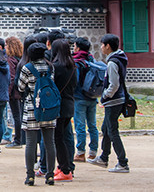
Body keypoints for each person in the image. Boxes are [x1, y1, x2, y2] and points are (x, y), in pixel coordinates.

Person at [89, 33, 129, 173]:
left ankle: (123, 162)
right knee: (106, 128)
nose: (101, 47)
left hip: (114, 101)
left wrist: (105, 96)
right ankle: (104, 157)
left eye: (102, 44)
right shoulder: (120, 59)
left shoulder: (112, 62)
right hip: (117, 99)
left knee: (112, 131)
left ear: (108, 46)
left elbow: (114, 84)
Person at [18, 42, 56, 186]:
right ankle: (50, 175)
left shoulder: (27, 68)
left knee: (31, 143)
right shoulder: (50, 67)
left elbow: (21, 87)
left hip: (33, 106)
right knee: (49, 142)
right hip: (49, 106)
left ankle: (30, 176)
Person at [51, 38, 76, 182]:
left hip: (58, 106)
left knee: (58, 138)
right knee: (63, 137)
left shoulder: (55, 67)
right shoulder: (72, 66)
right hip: (69, 104)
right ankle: (64, 166)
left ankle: (65, 169)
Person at [72, 37, 98, 162]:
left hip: (79, 97)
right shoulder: (91, 59)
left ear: (78, 47)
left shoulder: (76, 61)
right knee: (92, 125)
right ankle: (93, 151)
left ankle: (80, 152)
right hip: (92, 96)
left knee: (80, 126)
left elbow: (75, 81)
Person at [5, 36, 24, 148]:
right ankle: (20, 138)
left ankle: (18, 139)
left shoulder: (11, 60)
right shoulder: (20, 59)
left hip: (14, 92)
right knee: (19, 114)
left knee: (16, 115)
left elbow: (11, 77)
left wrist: (8, 92)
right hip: (20, 90)